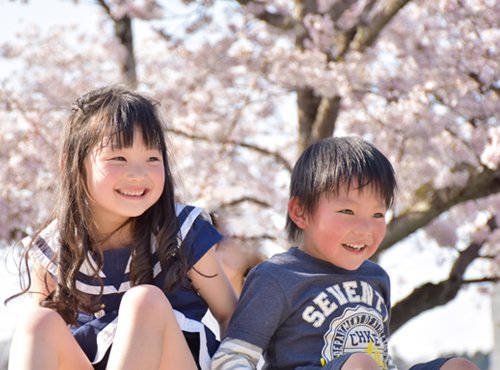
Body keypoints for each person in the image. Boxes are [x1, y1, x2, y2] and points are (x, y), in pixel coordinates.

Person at [7, 86, 237, 370]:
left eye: (152, 158)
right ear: (72, 164)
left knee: (145, 302)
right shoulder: (53, 251)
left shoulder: (180, 231)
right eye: (119, 158)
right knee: (37, 321)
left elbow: (231, 315)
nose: (138, 174)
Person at [211, 137, 479, 370]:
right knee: (359, 363)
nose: (365, 229)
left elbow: (380, 356)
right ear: (300, 212)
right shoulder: (277, 276)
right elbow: (233, 357)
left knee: (459, 366)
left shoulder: (376, 278)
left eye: (377, 214)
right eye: (347, 212)